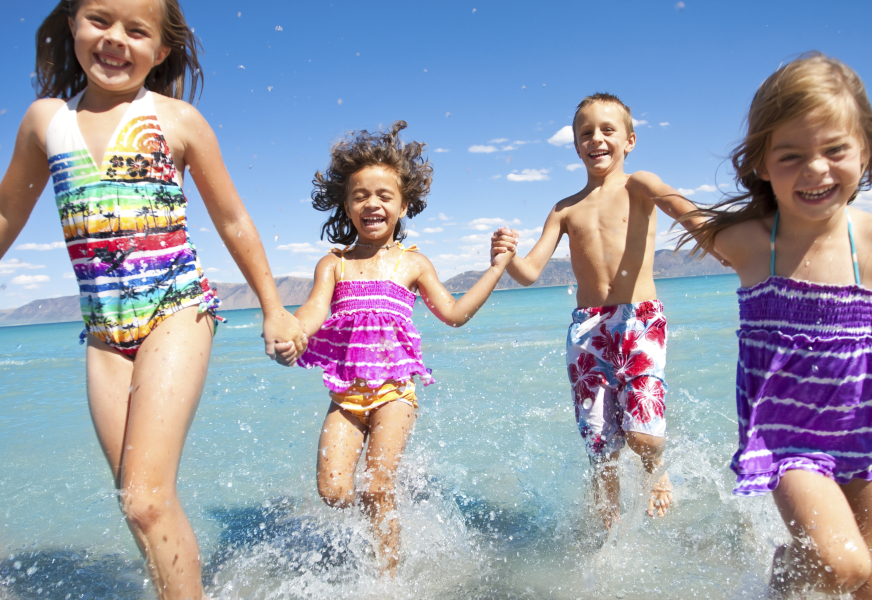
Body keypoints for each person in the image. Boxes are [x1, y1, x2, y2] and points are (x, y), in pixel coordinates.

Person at [0, 1, 303, 598]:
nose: (115, 40)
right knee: (139, 505)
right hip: (104, 333)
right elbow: (8, 211)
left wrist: (273, 305)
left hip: (178, 309)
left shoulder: (177, 119)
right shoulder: (45, 122)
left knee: (145, 498)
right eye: (100, 21)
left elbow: (234, 219)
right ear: (73, 26)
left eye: (136, 31)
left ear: (160, 51)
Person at [680, 52, 872, 599]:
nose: (816, 169)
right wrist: (640, 186)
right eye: (792, 155)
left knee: (871, 587)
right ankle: (782, 581)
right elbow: (686, 213)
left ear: (867, 150)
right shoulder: (754, 243)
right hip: (786, 437)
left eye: (835, 150)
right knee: (841, 564)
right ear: (760, 163)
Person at [275, 121, 515, 577]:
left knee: (376, 486)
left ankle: (387, 578)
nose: (372, 204)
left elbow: (455, 313)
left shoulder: (413, 263)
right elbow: (311, 312)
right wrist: (293, 332)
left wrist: (497, 267)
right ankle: (370, 539)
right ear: (345, 204)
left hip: (395, 394)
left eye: (385, 196)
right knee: (334, 491)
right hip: (345, 397)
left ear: (404, 205)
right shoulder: (334, 264)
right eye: (360, 195)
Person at [491, 93, 713, 529]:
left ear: (629, 140)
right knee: (600, 444)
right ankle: (606, 528)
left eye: (608, 130)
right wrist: (507, 256)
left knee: (642, 434)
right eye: (586, 132)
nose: (597, 139)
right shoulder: (565, 208)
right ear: (576, 145)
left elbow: (685, 211)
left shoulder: (640, 185)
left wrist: (724, 240)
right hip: (587, 330)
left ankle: (656, 467)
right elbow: (531, 271)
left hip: (639, 319)